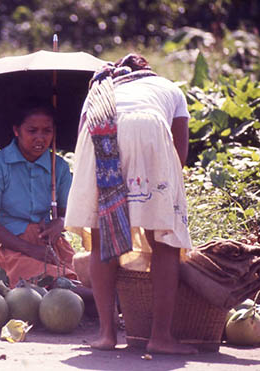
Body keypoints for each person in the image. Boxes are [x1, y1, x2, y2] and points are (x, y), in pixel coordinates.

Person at [64, 53, 196, 354]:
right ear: (148, 71)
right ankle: (160, 337)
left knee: (101, 237)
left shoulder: (100, 92)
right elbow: (180, 155)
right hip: (147, 128)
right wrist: (157, 195)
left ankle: (107, 335)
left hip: (99, 131)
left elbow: (81, 140)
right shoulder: (169, 88)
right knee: (164, 240)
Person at [0, 104, 81, 289]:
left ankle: (94, 298)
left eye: (47, 131)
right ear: (17, 130)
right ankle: (101, 300)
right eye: (32, 131)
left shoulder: (59, 167)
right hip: (5, 247)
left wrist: (61, 222)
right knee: (51, 281)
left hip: (46, 244)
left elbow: (68, 214)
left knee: (80, 274)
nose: (40, 138)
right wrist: (31, 250)